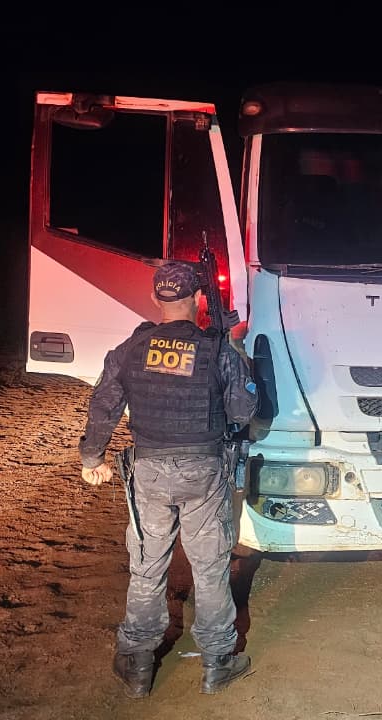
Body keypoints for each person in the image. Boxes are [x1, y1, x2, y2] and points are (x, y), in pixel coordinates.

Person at [78, 260, 258, 699]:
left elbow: (103, 403)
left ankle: (137, 664)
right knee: (210, 567)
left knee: (147, 566)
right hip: (204, 470)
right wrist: (236, 358)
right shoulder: (216, 350)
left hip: (150, 472)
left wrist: (92, 457)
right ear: (198, 300)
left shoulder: (132, 347)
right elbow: (244, 411)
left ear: (155, 298)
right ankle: (217, 663)